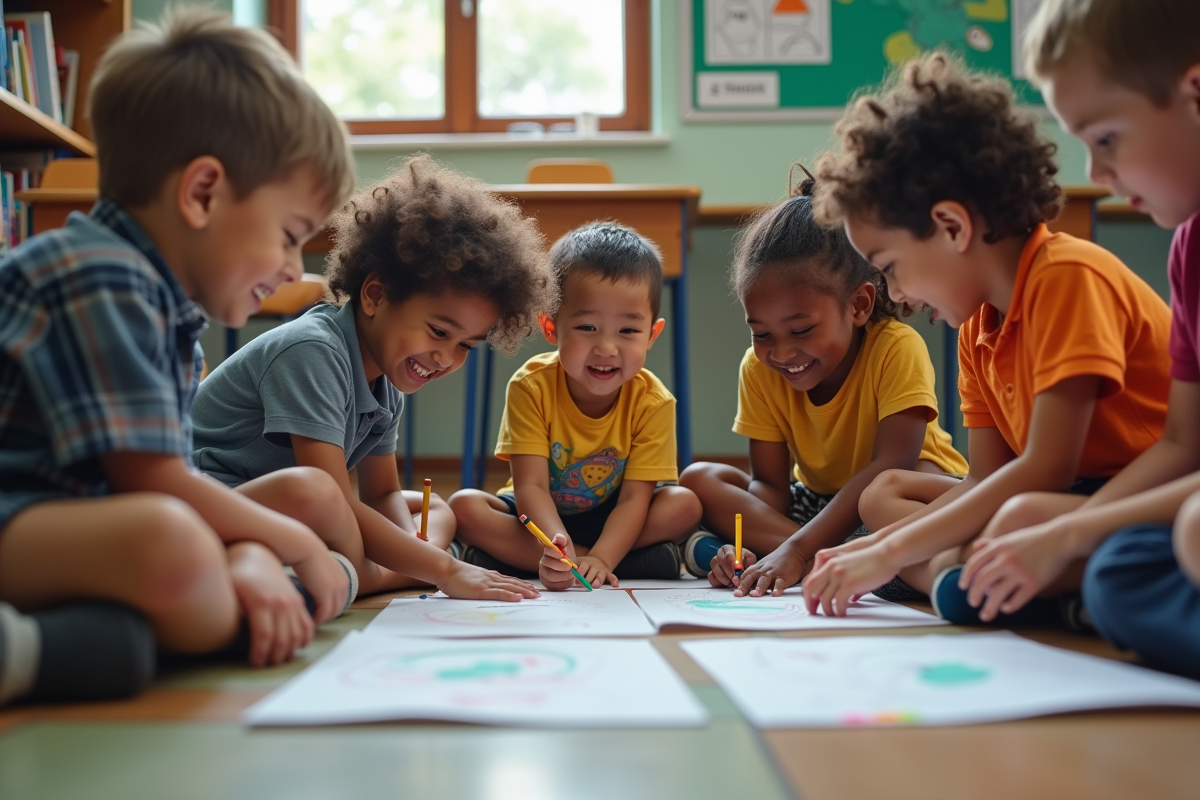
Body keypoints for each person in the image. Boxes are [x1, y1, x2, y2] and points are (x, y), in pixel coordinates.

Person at [0, 8, 355, 707]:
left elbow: (175, 483)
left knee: (286, 501)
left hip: (76, 519)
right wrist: (292, 548)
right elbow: (155, 487)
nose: (294, 268)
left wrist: (252, 546)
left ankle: (91, 642)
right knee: (175, 542)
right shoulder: (100, 274)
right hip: (21, 515)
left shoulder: (165, 307)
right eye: (289, 235)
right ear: (202, 193)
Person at [802, 51, 1172, 623]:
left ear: (952, 226)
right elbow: (987, 475)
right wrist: (877, 546)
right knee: (883, 495)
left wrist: (889, 552)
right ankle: (960, 575)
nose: (897, 294)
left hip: (1138, 493)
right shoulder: (977, 325)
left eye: (891, 266)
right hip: (1068, 494)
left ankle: (959, 578)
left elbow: (1045, 468)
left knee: (1010, 524)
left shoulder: (1067, 277)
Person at [952, 0, 1200, 676]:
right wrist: (1068, 534)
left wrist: (1069, 532)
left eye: (1108, 138)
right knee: (1120, 572)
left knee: (1188, 531)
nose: (1095, 173)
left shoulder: (1066, 275)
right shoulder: (1188, 249)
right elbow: (1185, 444)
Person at [193, 156, 554, 603]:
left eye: (466, 345)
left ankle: (372, 573)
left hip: (292, 513)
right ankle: (376, 575)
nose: (446, 358)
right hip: (212, 503)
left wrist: (419, 555)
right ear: (375, 295)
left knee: (435, 509)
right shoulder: (312, 350)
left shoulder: (384, 384)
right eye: (439, 331)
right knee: (317, 493)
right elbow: (332, 498)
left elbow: (382, 493)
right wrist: (444, 568)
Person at [679, 175, 966, 595]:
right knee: (700, 478)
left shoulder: (896, 347)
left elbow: (894, 463)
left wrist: (795, 547)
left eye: (801, 330)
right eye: (761, 334)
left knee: (897, 487)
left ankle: (817, 554)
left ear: (859, 305)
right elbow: (771, 489)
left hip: (900, 495)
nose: (780, 352)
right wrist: (750, 542)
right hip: (818, 502)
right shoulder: (757, 369)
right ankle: (831, 557)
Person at [449, 222, 702, 588]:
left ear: (652, 334)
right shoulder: (530, 386)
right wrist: (560, 550)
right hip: (539, 517)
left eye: (628, 331)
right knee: (465, 507)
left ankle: (534, 560)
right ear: (551, 327)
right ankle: (622, 563)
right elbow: (532, 487)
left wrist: (603, 556)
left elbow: (633, 499)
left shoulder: (654, 401)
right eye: (587, 328)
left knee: (685, 505)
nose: (607, 348)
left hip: (613, 514)